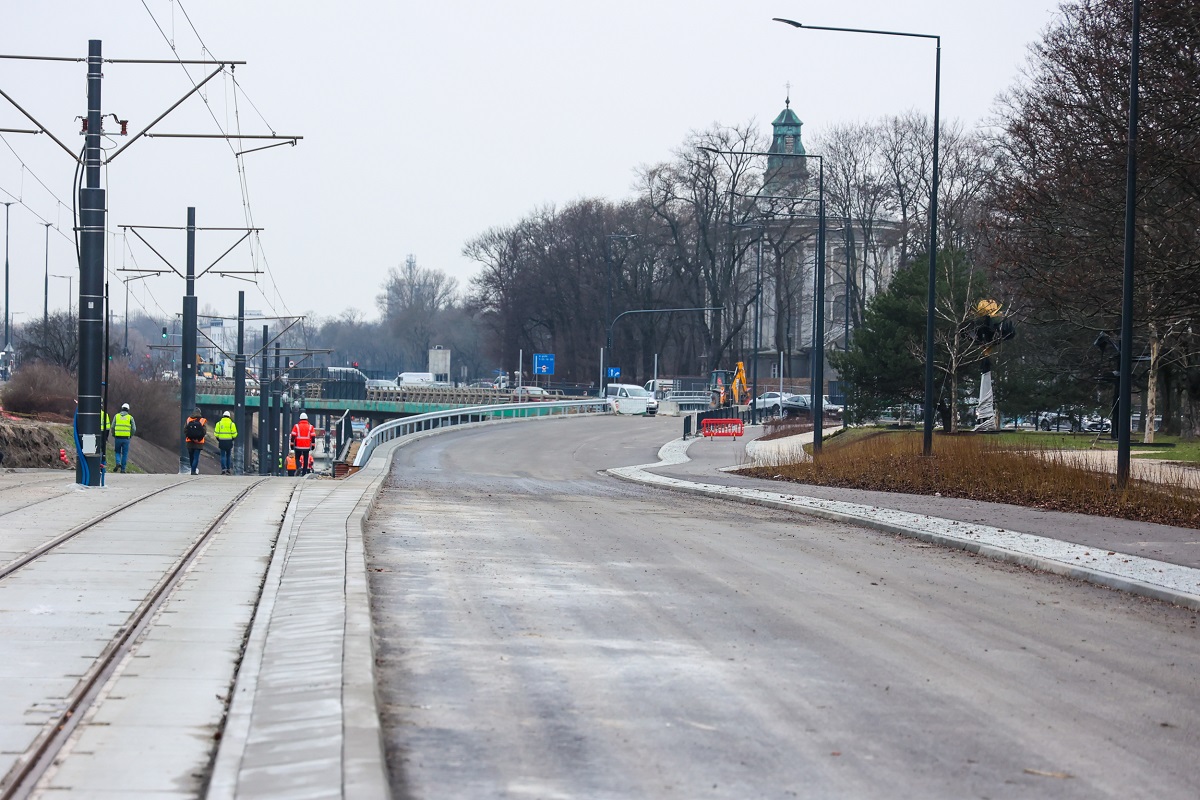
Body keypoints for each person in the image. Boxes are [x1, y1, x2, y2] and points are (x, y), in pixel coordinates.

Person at [290, 411, 317, 477]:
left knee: (297, 458)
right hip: (306, 446)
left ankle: (299, 466)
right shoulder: (310, 427)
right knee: (305, 459)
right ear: (307, 419)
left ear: (300, 419)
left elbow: (293, 436)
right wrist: (313, 445)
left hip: (298, 445)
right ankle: (304, 473)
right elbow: (313, 437)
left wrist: (292, 445)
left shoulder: (296, 426)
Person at [112, 403, 136, 473]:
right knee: (125, 454)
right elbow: (134, 428)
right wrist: (130, 435)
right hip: (126, 439)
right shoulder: (130, 418)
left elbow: (113, 427)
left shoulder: (116, 416)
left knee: (117, 451)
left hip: (118, 437)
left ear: (121, 408)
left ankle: (118, 462)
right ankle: (123, 469)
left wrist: (113, 434)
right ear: (128, 410)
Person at [184, 407, 207, 475]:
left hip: (189, 442)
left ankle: (192, 468)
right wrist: (198, 437)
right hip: (199, 442)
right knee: (196, 457)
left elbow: (185, 430)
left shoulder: (188, 419)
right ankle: (193, 470)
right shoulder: (202, 420)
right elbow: (204, 431)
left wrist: (190, 437)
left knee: (191, 456)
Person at [214, 411, 238, 475]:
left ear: (223, 416)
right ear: (229, 416)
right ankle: (228, 469)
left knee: (222, 455)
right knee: (228, 455)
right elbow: (235, 434)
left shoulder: (218, 424)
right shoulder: (231, 424)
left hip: (221, 441)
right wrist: (232, 439)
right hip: (229, 441)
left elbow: (216, 434)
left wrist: (219, 439)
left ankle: (223, 469)